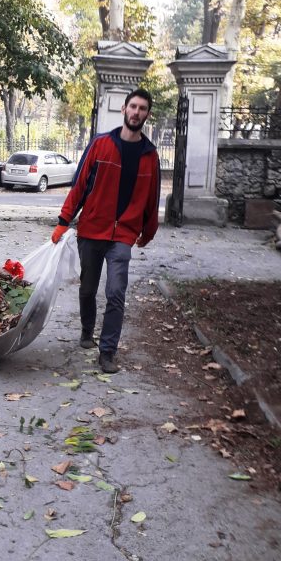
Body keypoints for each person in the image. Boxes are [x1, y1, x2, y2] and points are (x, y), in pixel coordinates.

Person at [51, 88, 160, 374]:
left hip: (123, 235)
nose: (136, 112)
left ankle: (108, 351)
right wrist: (64, 220)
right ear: (124, 109)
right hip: (92, 229)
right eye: (133, 106)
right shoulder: (100, 145)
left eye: (142, 108)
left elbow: (152, 197)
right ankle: (87, 329)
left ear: (147, 115)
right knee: (88, 288)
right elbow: (80, 184)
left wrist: (148, 231)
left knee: (115, 293)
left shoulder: (150, 156)